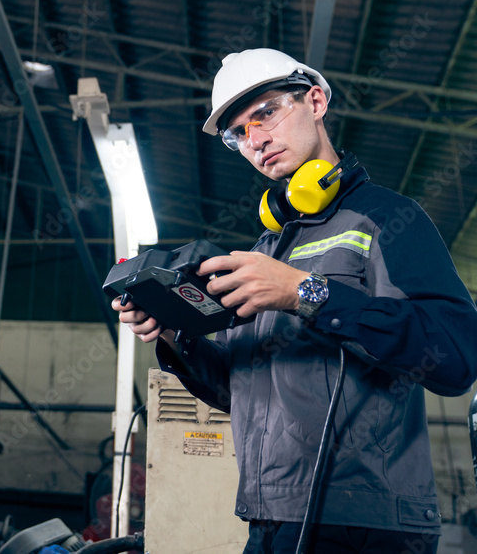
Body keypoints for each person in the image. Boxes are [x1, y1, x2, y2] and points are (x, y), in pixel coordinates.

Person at [112, 48, 477, 553]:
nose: (254, 140)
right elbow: (242, 394)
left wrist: (303, 292)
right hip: (269, 520)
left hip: (366, 525)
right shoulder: (264, 252)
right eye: (237, 133)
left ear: (316, 100)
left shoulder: (388, 219)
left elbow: (456, 357)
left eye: (266, 114)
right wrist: (177, 336)